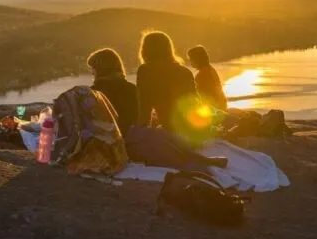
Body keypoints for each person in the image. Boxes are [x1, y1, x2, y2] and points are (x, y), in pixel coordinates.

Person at [94, 43, 226, 171]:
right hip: (128, 138)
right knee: (159, 137)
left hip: (123, 137)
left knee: (158, 136)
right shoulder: (128, 87)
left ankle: (201, 160)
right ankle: (201, 161)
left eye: (94, 70)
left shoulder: (97, 91)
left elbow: (142, 116)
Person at [136, 31, 200, 134]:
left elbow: (144, 108)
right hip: (194, 129)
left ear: (145, 50)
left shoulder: (145, 70)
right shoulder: (184, 71)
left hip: (171, 131)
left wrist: (141, 134)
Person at [187, 45, 228, 111]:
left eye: (190, 59)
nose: (190, 62)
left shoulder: (201, 75)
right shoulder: (210, 69)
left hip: (214, 109)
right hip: (221, 106)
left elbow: (201, 96)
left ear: (196, 59)